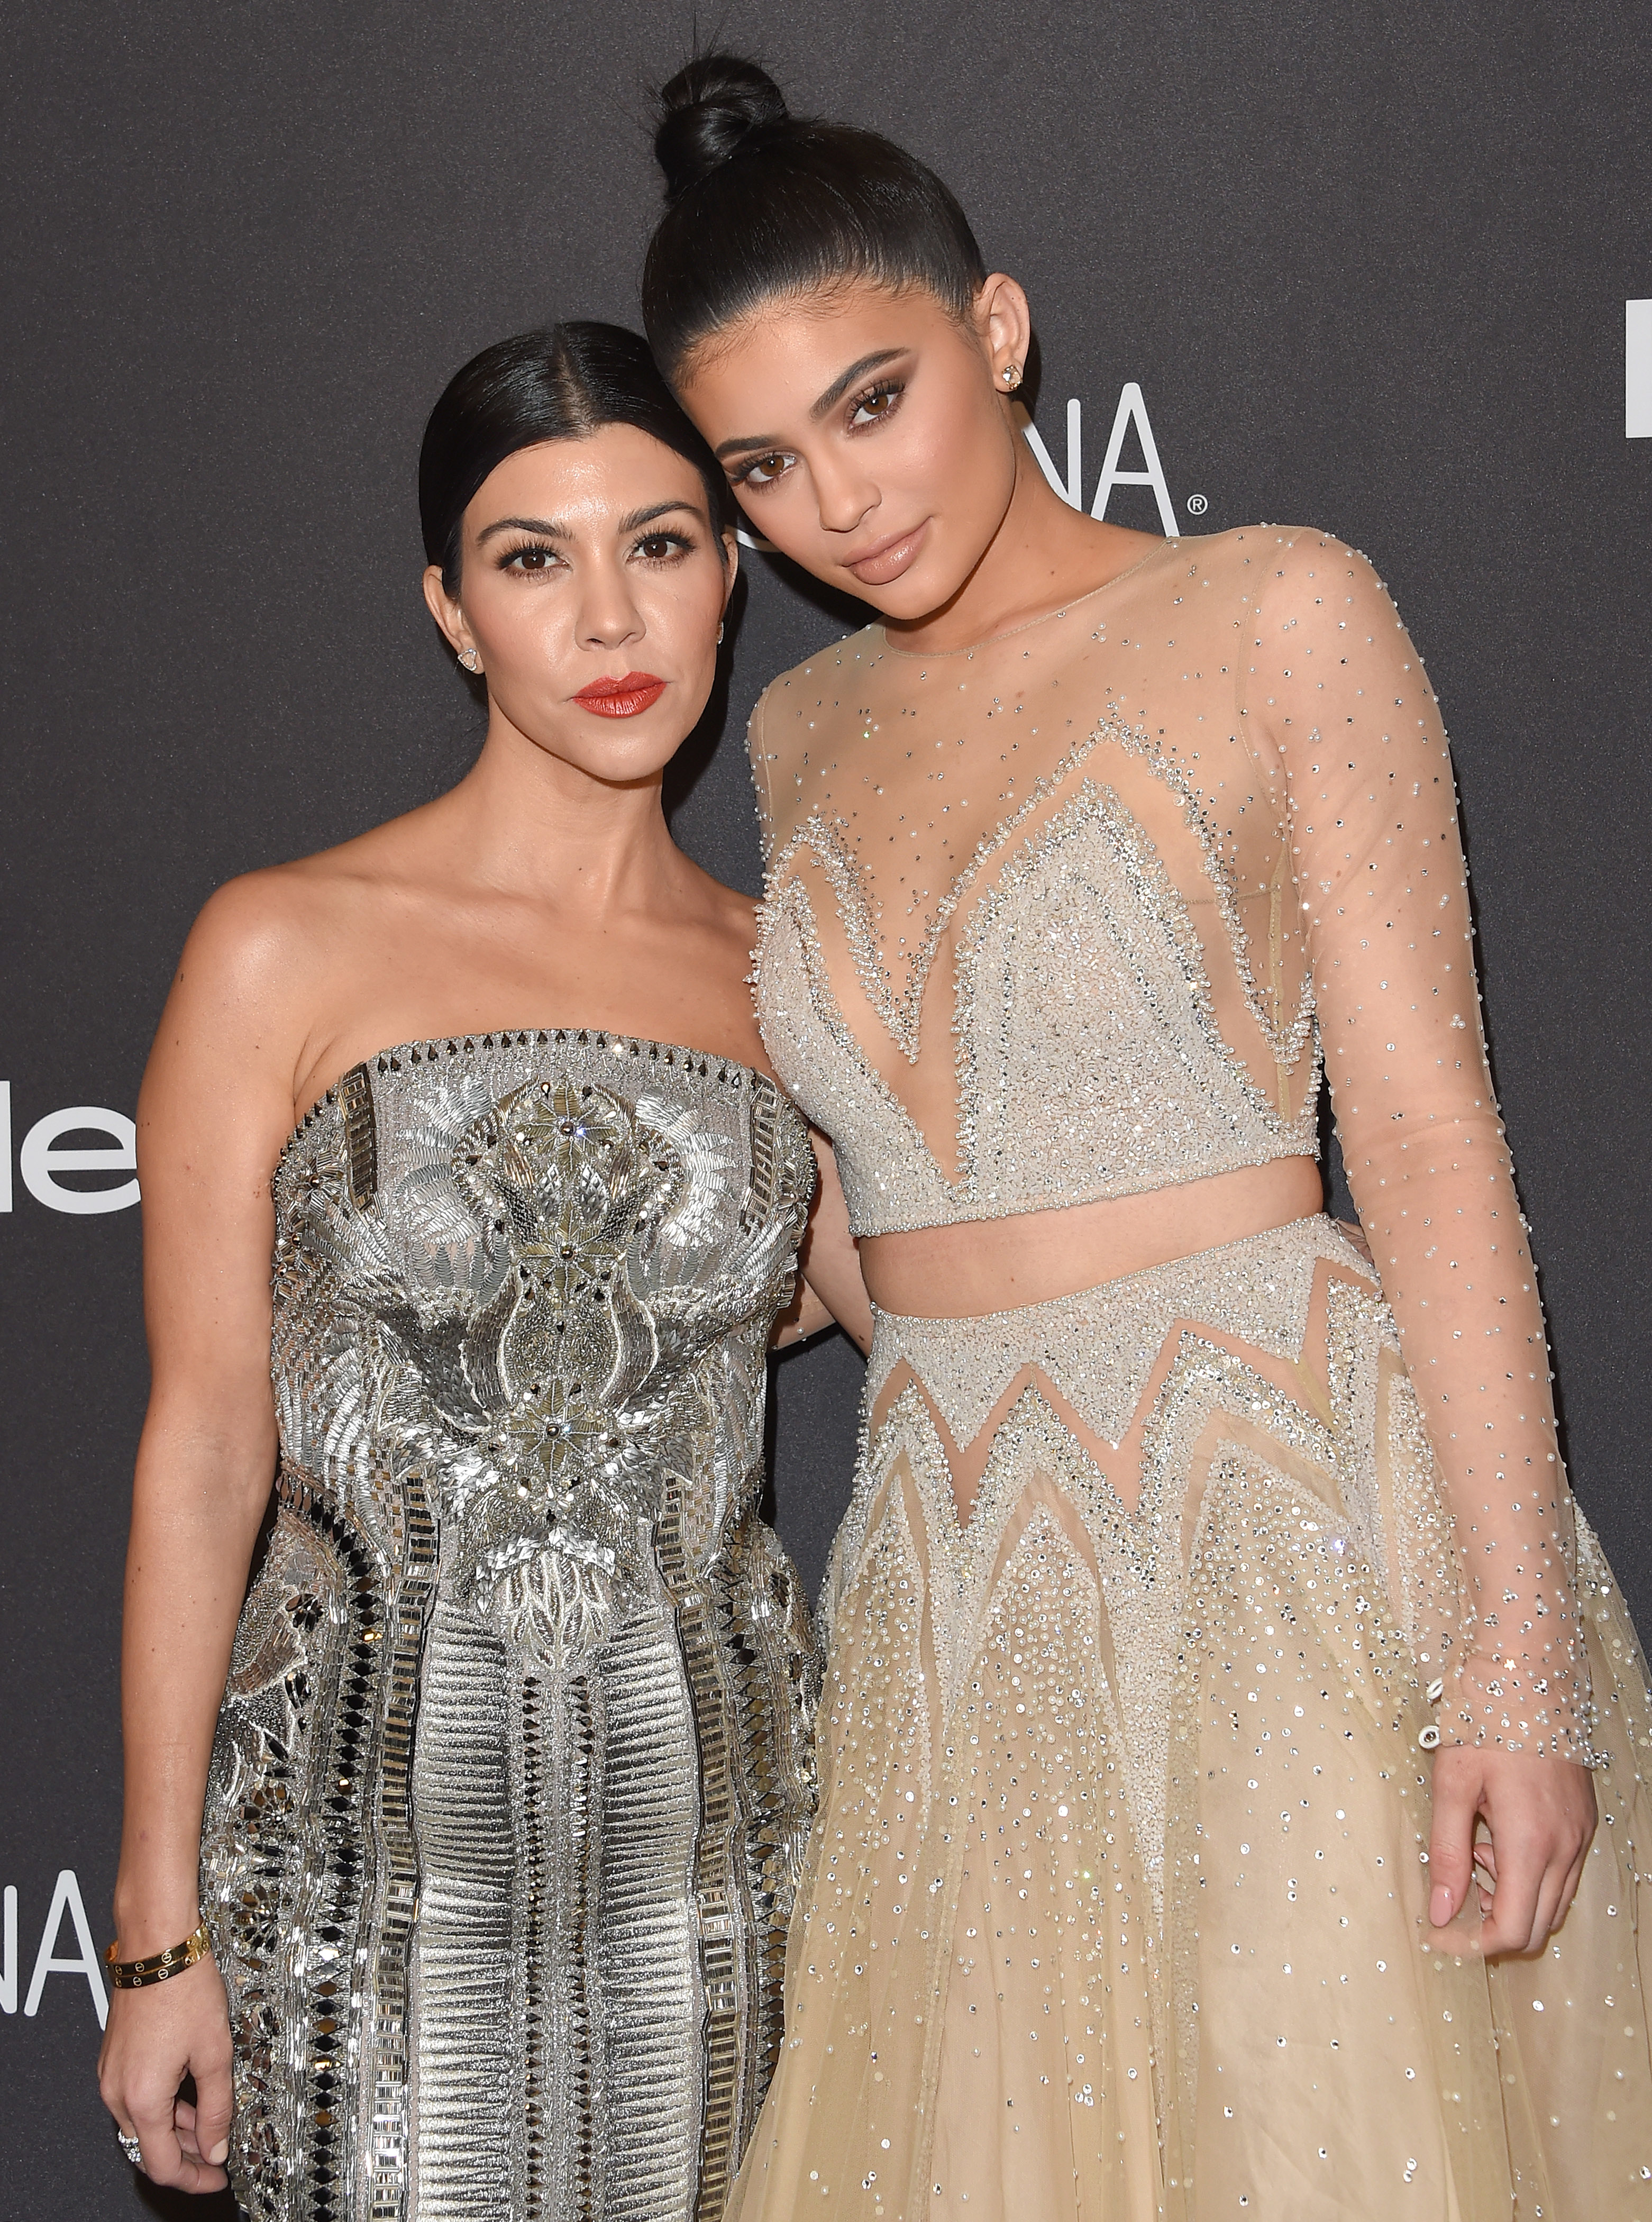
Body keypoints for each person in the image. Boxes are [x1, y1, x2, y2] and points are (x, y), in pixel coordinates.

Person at [638, 53, 1652, 2220]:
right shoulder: (800, 732)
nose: (840, 499)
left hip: (1272, 1510)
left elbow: (1425, 1126)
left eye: (874, 401)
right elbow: (864, 1201)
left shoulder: (1275, 607)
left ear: (994, 332)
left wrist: (1514, 1648)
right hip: (945, 1546)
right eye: (763, 464)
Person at [96, 320, 829, 2221]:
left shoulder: (796, 980)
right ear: (449, 610)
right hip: (354, 1889)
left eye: (661, 544)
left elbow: (906, 1302)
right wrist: (159, 1929)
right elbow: (204, 1445)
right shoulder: (282, 947)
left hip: (722, 1882)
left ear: (730, 575)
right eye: (533, 558)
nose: (611, 614)